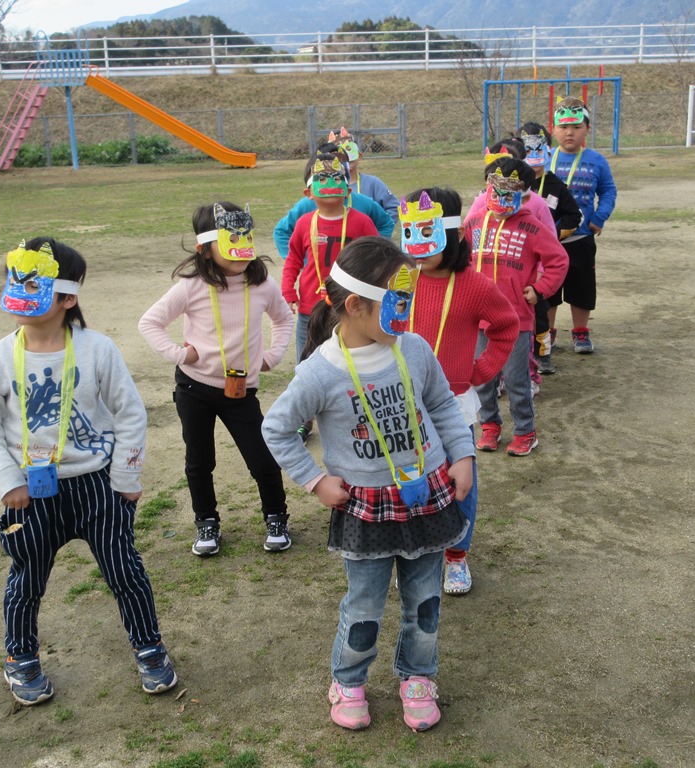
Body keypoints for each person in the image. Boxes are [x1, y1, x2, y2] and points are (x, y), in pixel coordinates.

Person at [261, 237, 475, 733]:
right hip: (365, 507)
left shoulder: (415, 348)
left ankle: (418, 677)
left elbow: (442, 404)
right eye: (397, 302)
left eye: (409, 299)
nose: (407, 312)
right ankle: (349, 681)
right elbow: (276, 428)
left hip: (427, 496)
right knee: (365, 603)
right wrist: (315, 481)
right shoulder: (320, 371)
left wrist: (462, 455)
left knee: (425, 598)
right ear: (354, 306)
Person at [0, 237, 177, 706]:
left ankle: (149, 646)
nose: (22, 297)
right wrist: (7, 480)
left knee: (126, 571)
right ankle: (20, 657)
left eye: (37, 287)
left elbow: (130, 414)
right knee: (27, 578)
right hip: (31, 494)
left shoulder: (97, 350)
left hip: (98, 486)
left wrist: (125, 479)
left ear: (67, 298)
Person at [138, 203, 294, 556]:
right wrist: (180, 354)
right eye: (229, 242)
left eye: (245, 240)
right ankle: (206, 521)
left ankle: (276, 516)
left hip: (241, 390)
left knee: (262, 458)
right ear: (205, 249)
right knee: (199, 460)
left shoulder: (263, 285)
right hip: (195, 388)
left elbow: (284, 320)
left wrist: (271, 356)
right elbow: (150, 322)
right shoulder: (191, 286)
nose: (240, 251)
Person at [400, 187, 518, 594]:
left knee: (458, 480)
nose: (416, 247)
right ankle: (412, 549)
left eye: (426, 235)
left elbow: (507, 326)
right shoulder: (399, 279)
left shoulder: (475, 285)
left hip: (453, 404)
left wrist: (482, 370)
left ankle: (456, 557)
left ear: (451, 235)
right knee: (406, 478)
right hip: (401, 403)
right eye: (409, 235)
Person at [464, 155, 568, 456]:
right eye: (494, 191)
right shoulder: (475, 221)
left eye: (509, 193)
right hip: (480, 318)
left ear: (524, 194)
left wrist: (540, 289)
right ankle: (490, 426)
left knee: (516, 379)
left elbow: (558, 260)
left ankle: (525, 431)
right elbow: (461, 255)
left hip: (516, 319)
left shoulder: (532, 227)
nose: (500, 199)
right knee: (482, 376)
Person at [283, 154, 379, 442]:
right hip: (310, 309)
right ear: (308, 192)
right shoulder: (303, 224)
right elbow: (293, 260)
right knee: (307, 362)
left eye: (337, 178)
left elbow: (377, 257)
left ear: (348, 188)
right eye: (321, 179)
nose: (330, 185)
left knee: (357, 359)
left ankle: (361, 415)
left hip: (352, 309)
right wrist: (289, 290)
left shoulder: (361, 222)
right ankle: (304, 418)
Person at [548, 97, 618, 353]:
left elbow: (608, 191)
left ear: (587, 129)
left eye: (577, 127)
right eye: (564, 127)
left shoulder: (596, 160)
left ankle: (580, 333)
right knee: (547, 289)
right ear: (553, 129)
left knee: (582, 287)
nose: (570, 133)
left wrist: (598, 218)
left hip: (580, 238)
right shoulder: (544, 159)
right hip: (547, 239)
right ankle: (547, 333)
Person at [518, 121, 583, 375]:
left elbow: (573, 217)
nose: (533, 154)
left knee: (540, 311)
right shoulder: (509, 186)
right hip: (512, 260)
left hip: (541, 266)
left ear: (547, 149)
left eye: (538, 148)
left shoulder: (555, 186)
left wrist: (549, 236)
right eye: (527, 149)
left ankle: (543, 354)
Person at [272, 142, 394, 259]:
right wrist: (304, 261)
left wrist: (373, 252)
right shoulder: (306, 205)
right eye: (323, 176)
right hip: (318, 275)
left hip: (355, 273)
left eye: (336, 171)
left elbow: (385, 223)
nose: (329, 180)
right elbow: (281, 232)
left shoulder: (363, 203)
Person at [328, 127, 400, 227]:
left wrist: (378, 231)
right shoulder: (325, 187)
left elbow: (394, 208)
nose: (345, 157)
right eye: (338, 152)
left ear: (359, 156)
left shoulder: (373, 183)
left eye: (349, 150)